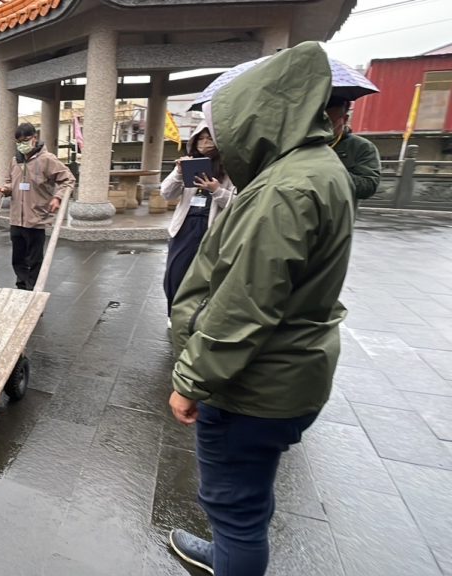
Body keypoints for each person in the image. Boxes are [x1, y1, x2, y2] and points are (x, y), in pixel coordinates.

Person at [166, 42, 354, 576]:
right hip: (289, 367)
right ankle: (225, 549)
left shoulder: (285, 189)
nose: (219, 138)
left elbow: (245, 303)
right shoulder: (316, 170)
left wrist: (190, 379)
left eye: (222, 125)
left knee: (237, 503)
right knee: (244, 494)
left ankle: (233, 553)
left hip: (254, 381)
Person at [161, 123, 235, 320]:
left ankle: (202, 316)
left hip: (213, 228)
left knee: (208, 275)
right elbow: (166, 193)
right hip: (185, 226)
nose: (205, 143)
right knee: (175, 272)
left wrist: (216, 190)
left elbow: (238, 203)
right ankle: (173, 314)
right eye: (200, 139)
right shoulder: (188, 164)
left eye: (209, 138)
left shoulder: (230, 168)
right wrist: (178, 172)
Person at [0, 123, 75, 291]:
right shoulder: (15, 160)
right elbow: (10, 182)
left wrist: (57, 197)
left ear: (34, 138)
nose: (22, 144)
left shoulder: (47, 159)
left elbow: (68, 179)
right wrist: (5, 189)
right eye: (18, 141)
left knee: (34, 259)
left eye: (25, 140)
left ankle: (33, 290)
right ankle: (22, 287)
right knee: (18, 258)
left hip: (36, 217)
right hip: (16, 218)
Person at [326, 95, 381, 209]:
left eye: (331, 123)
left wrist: (330, 171)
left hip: (337, 215)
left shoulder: (361, 147)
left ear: (345, 119)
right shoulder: (301, 142)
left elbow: (368, 186)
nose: (324, 128)